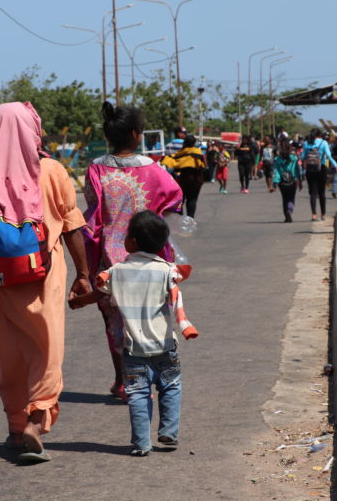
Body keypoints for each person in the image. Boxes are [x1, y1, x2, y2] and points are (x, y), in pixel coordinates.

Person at [0, 102, 91, 464]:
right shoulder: (52, 170)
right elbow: (72, 223)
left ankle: (15, 428)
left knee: (9, 352)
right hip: (43, 277)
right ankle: (35, 421)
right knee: (46, 349)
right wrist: (84, 274)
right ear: (34, 131)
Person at [69, 210, 198, 457]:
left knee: (138, 395)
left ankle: (141, 442)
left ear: (133, 242)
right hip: (165, 346)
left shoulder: (117, 271)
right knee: (171, 387)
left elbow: (97, 294)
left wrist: (78, 301)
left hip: (133, 350)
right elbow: (175, 297)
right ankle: (168, 432)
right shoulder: (167, 271)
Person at [83, 101, 183, 403]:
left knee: (115, 322)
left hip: (109, 258)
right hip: (150, 257)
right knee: (149, 317)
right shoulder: (153, 168)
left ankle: (124, 380)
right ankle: (151, 378)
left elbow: (93, 216)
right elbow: (174, 197)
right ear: (136, 134)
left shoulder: (96, 168)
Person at [162, 135, 206, 218]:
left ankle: (180, 218)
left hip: (184, 178)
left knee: (181, 199)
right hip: (196, 178)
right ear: (194, 143)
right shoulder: (197, 151)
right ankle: (191, 219)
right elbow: (203, 165)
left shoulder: (181, 152)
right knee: (192, 200)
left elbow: (170, 159)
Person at [301, 128, 337, 221]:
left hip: (310, 170)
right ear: (319, 135)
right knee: (322, 193)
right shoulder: (323, 143)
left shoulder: (306, 143)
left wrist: (303, 168)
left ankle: (314, 214)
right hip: (321, 168)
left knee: (313, 193)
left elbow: (302, 157)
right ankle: (323, 214)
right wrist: (335, 165)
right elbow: (329, 156)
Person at [271, 138, 302, 222]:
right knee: (291, 198)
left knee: (284, 198)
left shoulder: (277, 159)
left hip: (282, 182)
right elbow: (297, 170)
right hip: (292, 181)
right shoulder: (294, 158)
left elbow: (276, 172)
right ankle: (289, 210)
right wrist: (299, 180)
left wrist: (274, 184)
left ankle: (286, 216)